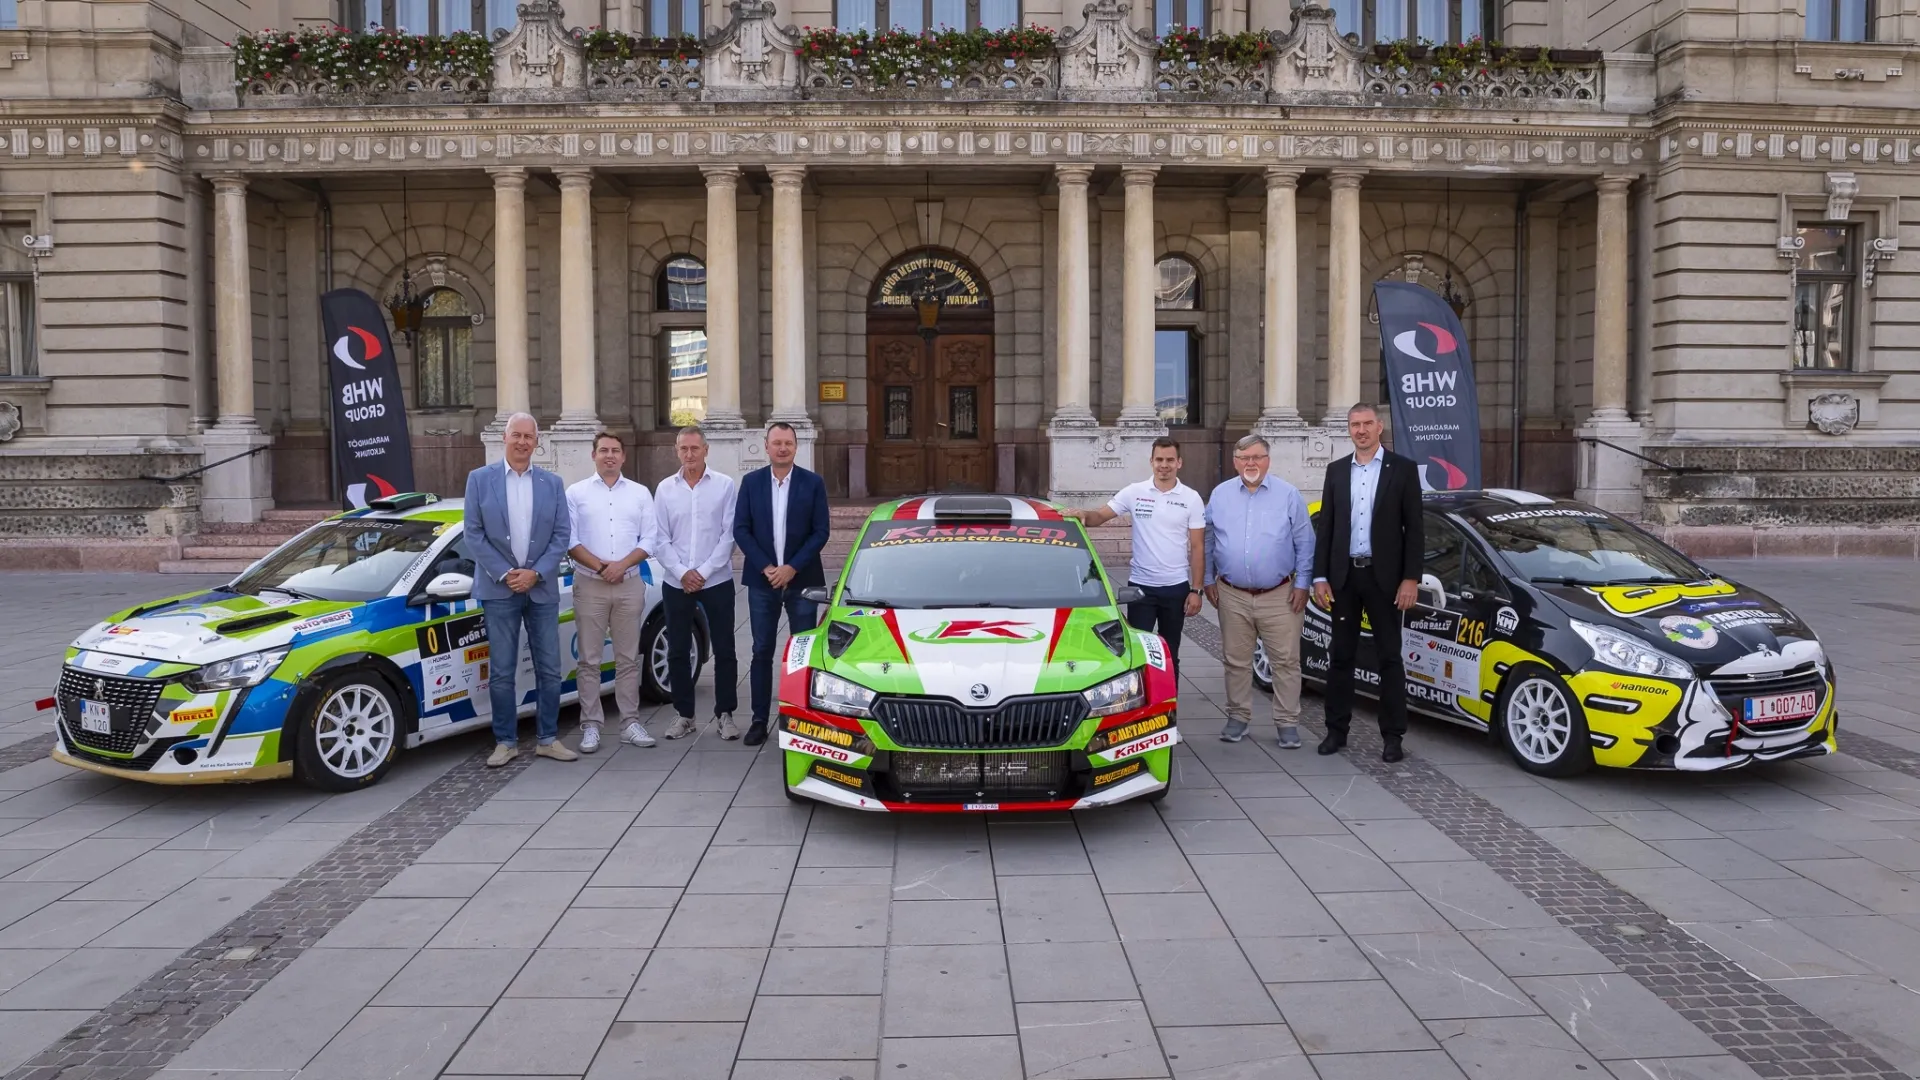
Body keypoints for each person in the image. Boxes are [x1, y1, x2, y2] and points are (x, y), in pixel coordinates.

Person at [464, 412, 578, 767]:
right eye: (517, 435)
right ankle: (505, 741)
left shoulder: (551, 483)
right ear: (505, 438)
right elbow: (473, 533)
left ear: (537, 441)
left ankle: (547, 738)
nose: (523, 442)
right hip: (499, 591)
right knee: (501, 670)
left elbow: (561, 535)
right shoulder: (480, 480)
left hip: (540, 589)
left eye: (529, 436)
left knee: (549, 667)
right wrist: (506, 573)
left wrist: (536, 573)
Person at [1312, 402, 1424, 763]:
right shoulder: (1336, 471)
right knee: (1340, 656)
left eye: (1366, 424)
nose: (1360, 430)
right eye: (1354, 425)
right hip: (1345, 577)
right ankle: (1336, 731)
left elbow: (1416, 530)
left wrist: (1410, 578)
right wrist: (1320, 576)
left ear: (1379, 427)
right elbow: (1326, 527)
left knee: (1389, 657)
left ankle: (1393, 737)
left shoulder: (1402, 470)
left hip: (1386, 579)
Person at [1203, 434, 1315, 748]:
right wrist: (1207, 580)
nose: (1250, 464)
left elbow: (1305, 544)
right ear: (1235, 461)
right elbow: (1208, 540)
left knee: (1286, 661)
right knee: (1236, 660)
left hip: (1280, 594)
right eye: (1243, 458)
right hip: (1232, 594)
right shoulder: (1221, 495)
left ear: (1268, 460)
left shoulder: (1288, 495)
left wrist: (1303, 583)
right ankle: (1238, 717)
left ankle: (1287, 722)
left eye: (1256, 457)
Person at [1066, 437, 1205, 676]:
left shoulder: (1191, 498)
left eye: (1170, 460)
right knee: (1139, 653)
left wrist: (1197, 590)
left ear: (1179, 463)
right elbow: (1100, 516)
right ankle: (1143, 708)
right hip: (1141, 588)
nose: (1164, 465)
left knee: (1170, 652)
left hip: (1175, 588)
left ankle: (1170, 709)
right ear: (1151, 462)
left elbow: (1198, 546)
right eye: (1159, 459)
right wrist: (1082, 514)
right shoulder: (1135, 492)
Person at [734, 422, 831, 747]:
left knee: (802, 653)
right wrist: (767, 567)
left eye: (788, 443)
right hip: (763, 582)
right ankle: (760, 721)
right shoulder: (751, 483)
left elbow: (821, 531)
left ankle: (803, 720)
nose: (782, 448)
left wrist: (791, 568)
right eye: (776, 443)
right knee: (761, 651)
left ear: (795, 447)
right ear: (766, 446)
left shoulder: (812, 483)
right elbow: (741, 530)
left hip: (802, 581)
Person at [565, 432, 657, 753]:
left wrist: (621, 566)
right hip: (590, 584)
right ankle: (591, 725)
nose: (609, 456)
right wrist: (604, 568)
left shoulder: (640, 493)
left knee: (627, 658)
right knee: (589, 659)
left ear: (623, 457)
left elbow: (649, 539)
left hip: (629, 583)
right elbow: (570, 540)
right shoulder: (575, 493)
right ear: (593, 455)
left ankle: (630, 722)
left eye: (615, 451)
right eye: (603, 450)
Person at [654, 426, 741, 740]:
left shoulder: (724, 486)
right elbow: (659, 538)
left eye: (694, 448)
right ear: (676, 450)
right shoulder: (664, 489)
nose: (689, 455)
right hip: (677, 581)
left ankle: (726, 714)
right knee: (677, 650)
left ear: (706, 449)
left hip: (715, 579)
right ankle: (684, 715)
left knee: (725, 648)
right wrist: (682, 572)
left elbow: (728, 535)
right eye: (683, 449)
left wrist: (702, 572)